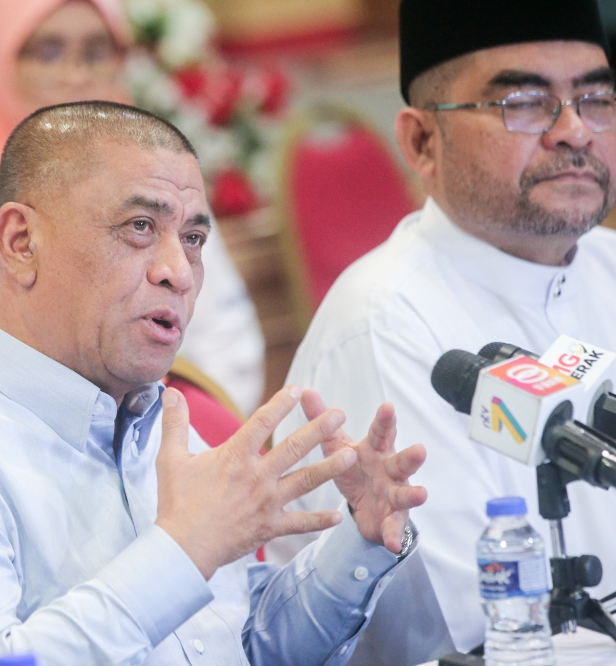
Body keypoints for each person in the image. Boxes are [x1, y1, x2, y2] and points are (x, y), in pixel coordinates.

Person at [0, 101, 429, 665]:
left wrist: (360, 538)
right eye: (139, 227)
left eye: (192, 239)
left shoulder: (156, 425)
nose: (178, 273)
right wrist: (183, 551)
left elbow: (241, 648)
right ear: (20, 242)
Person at [264, 0, 616, 661]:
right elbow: (496, 633)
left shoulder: (609, 265)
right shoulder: (389, 322)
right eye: (524, 102)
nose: (575, 131)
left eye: (597, 97)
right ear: (422, 141)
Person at [0, 0, 266, 414]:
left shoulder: (162, 177)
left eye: (95, 52)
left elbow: (226, 338)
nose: (76, 74)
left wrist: (176, 439)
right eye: (49, 53)